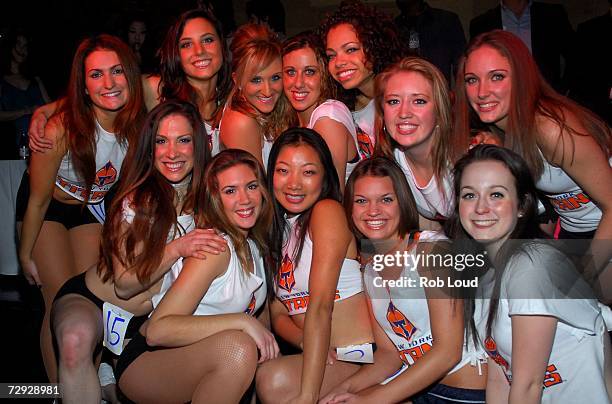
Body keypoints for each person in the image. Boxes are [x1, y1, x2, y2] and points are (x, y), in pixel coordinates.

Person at [51, 100, 221, 403]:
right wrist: (178, 247)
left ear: (198, 144)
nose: (172, 152)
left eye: (183, 140)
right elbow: (126, 284)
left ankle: (107, 373)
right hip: (94, 300)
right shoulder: (137, 201)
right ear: (149, 147)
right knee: (74, 342)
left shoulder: (210, 201)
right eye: (161, 141)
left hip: (148, 325)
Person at [16, 34, 146, 382]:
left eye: (116, 71)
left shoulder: (134, 122)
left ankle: (94, 380)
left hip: (90, 208)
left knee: (92, 297)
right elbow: (38, 200)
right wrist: (25, 254)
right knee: (59, 301)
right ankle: (62, 388)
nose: (109, 83)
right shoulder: (60, 130)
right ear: (83, 85)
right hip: (47, 210)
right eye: (96, 75)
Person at [447, 144, 611, 403]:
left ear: (522, 205)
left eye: (497, 195)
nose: (480, 208)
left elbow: (528, 386)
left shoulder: (533, 265)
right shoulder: (485, 277)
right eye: (469, 195)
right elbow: (500, 377)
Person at [116, 148, 278, 403]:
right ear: (214, 199)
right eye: (230, 191)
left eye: (251, 186)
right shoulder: (215, 249)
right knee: (238, 348)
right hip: (148, 360)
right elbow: (158, 330)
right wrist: (243, 322)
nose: (245, 199)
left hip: (201, 357)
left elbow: (262, 322)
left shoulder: (255, 245)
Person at [320, 156, 486, 403]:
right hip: (418, 388)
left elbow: (447, 352)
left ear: (402, 202)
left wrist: (371, 400)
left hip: (464, 392)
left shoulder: (432, 250)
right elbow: (390, 354)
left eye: (386, 200)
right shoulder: (369, 271)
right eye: (361, 201)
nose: (373, 211)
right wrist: (345, 389)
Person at [453, 30, 612, 248]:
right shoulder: (498, 131)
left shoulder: (551, 128)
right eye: (472, 80)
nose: (481, 92)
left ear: (521, 77)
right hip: (573, 232)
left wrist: (590, 273)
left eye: (497, 77)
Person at [256, 128, 374, 403]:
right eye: (283, 171)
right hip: (323, 354)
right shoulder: (277, 230)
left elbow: (321, 307)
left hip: (359, 355)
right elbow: (279, 314)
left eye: (308, 172)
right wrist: (305, 342)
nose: (293, 184)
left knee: (273, 379)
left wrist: (308, 395)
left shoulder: (327, 212)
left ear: (324, 178)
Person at [29, 9, 232, 156]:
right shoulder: (158, 90)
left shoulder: (232, 99)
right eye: (186, 44)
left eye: (207, 40)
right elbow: (107, 91)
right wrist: (44, 112)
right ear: (176, 53)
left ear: (222, 45)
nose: (199, 51)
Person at [319, 0, 405, 159]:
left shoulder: (404, 101)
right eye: (332, 55)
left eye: (351, 49)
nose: (339, 62)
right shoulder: (342, 111)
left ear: (376, 46)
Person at [375, 57, 455, 225]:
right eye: (393, 101)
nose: (404, 112)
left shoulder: (465, 157)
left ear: (440, 111)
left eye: (419, 101)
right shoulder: (392, 164)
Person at [282, 31, 360, 186]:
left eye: (309, 72)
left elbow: (332, 197)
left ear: (324, 75)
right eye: (291, 72)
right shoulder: (294, 119)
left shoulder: (328, 118)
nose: (298, 83)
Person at [220, 22, 290, 168]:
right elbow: (255, 188)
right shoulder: (242, 122)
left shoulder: (259, 112)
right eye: (256, 80)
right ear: (237, 80)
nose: (267, 90)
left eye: (275, 78)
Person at [469, 0, 575, 93]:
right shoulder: (482, 24)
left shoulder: (552, 15)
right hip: (502, 99)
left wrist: (561, 91)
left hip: (544, 99)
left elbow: (576, 56)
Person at [0, 30, 50, 153]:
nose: (23, 50)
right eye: (19, 44)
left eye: (25, 46)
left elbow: (50, 106)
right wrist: (26, 111)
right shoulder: (2, 81)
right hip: (12, 144)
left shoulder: (35, 79)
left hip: (43, 141)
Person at [393, 0, 466, 84]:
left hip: (438, 90)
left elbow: (461, 64)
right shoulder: (393, 27)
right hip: (405, 89)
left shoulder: (446, 21)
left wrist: (460, 93)